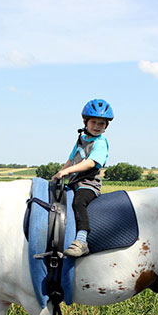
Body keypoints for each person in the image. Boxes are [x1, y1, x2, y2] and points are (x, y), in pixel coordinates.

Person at [52, 98, 114, 257]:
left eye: (102, 123)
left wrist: (67, 172)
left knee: (79, 203)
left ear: (106, 126)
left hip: (88, 185)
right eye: (94, 122)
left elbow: (91, 163)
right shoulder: (81, 139)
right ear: (85, 121)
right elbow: (71, 159)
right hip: (74, 182)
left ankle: (82, 241)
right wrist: (59, 173)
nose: (97, 126)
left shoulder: (101, 142)